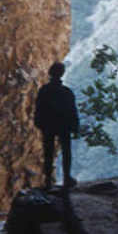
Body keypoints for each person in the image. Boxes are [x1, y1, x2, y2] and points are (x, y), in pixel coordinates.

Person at [34, 61, 79, 190]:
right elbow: (72, 110)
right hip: (63, 126)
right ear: (62, 73)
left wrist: (39, 123)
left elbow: (39, 108)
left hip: (48, 125)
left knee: (48, 152)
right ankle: (67, 178)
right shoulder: (66, 92)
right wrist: (75, 126)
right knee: (67, 152)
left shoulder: (44, 90)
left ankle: (48, 180)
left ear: (50, 73)